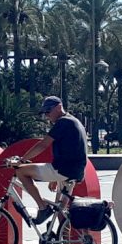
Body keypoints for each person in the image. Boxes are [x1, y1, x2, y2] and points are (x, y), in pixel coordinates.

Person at [15, 96, 88, 224]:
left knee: (21, 171)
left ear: (59, 107)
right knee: (61, 213)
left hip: (63, 170)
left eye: (48, 111)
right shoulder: (74, 121)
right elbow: (69, 151)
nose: (47, 116)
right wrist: (55, 178)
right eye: (45, 113)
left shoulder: (63, 122)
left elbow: (43, 145)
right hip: (74, 172)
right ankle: (64, 243)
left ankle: (43, 208)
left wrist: (21, 161)